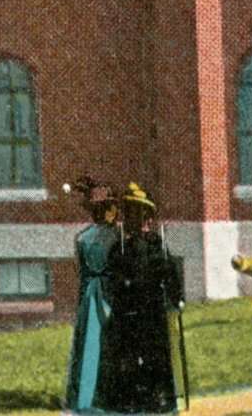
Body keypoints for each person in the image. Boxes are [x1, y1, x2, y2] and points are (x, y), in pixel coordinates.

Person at [100, 181, 184, 413]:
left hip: (152, 309)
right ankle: (127, 399)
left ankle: (159, 397)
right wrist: (121, 288)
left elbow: (169, 272)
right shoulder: (120, 248)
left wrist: (177, 299)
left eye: (143, 214)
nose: (139, 220)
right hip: (127, 310)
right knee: (126, 355)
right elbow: (111, 278)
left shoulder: (157, 245)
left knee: (156, 353)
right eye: (133, 214)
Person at [65, 177, 120, 414]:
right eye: (111, 208)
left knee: (88, 343)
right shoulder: (116, 237)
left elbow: (81, 270)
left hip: (89, 293)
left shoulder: (82, 238)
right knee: (109, 343)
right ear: (107, 211)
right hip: (108, 291)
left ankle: (83, 396)